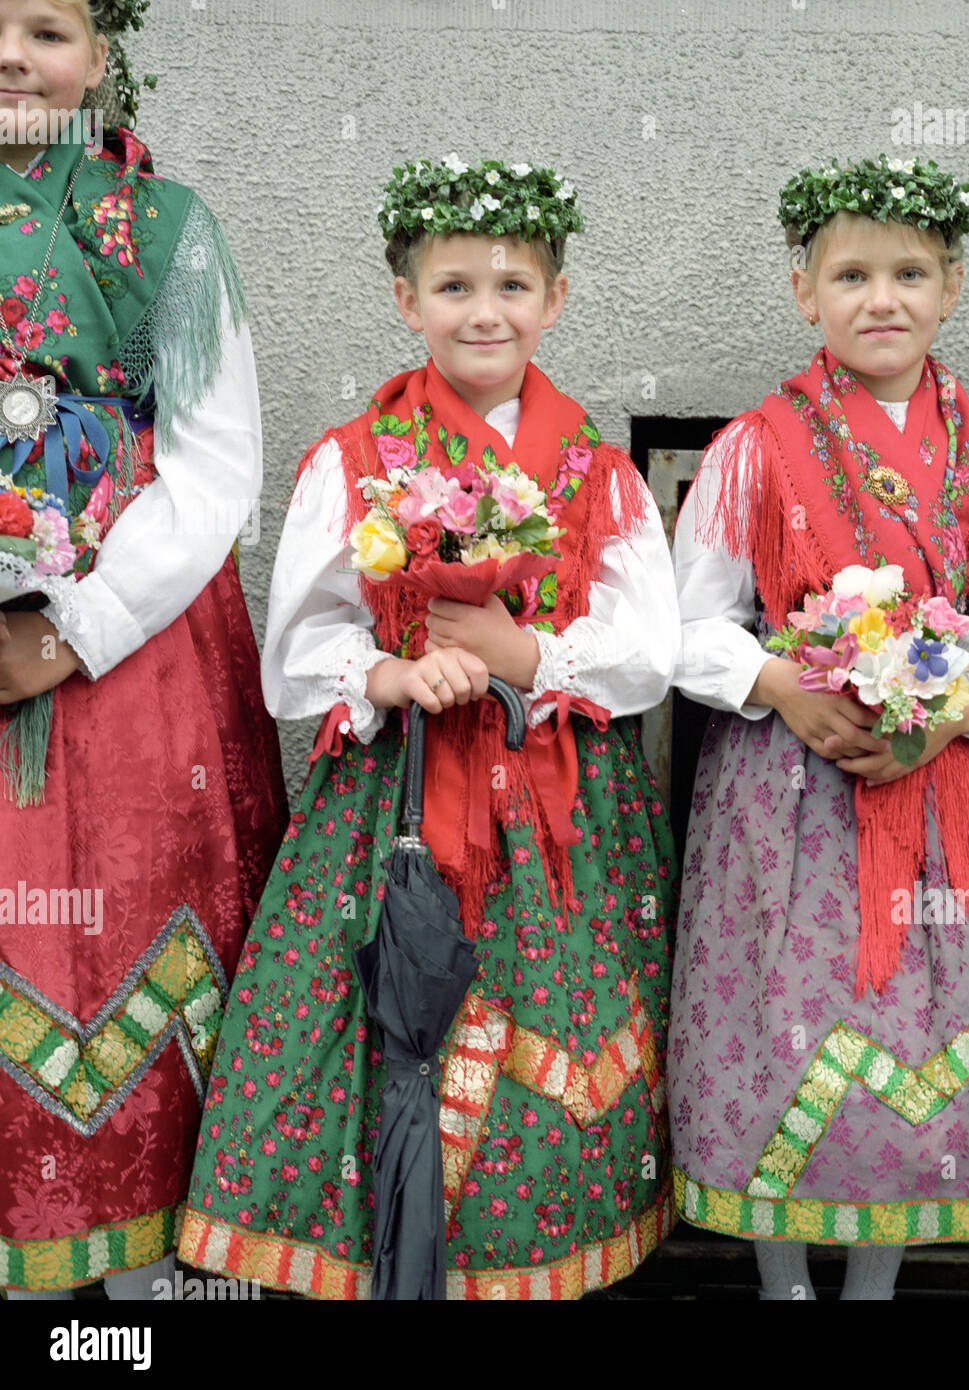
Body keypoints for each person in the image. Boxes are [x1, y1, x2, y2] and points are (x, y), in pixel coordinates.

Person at [178, 155, 679, 1299]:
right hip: (392, 811)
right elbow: (293, 660)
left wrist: (528, 658)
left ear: (556, 299)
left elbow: (650, 654)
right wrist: (390, 676)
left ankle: (524, 1266)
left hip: (556, 815)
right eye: (452, 286)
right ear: (405, 301)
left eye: (511, 284)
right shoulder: (353, 463)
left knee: (555, 1042)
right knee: (370, 1033)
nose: (484, 309)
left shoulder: (599, 477)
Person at [670, 156, 969, 1300]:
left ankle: (873, 1282)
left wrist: (948, 715)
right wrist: (781, 689)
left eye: (909, 271)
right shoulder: (752, 449)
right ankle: (781, 1279)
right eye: (850, 274)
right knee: (788, 1018)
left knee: (920, 1025)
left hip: (941, 791)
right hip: (788, 791)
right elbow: (691, 623)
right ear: (803, 291)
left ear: (952, 285)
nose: (881, 298)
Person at [0, 0, 286, 1300]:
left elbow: (218, 461)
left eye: (46, 26)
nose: (13, 55)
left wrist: (71, 627)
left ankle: (139, 1292)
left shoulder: (166, 231)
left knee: (132, 949)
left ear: (100, 57)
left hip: (133, 658)